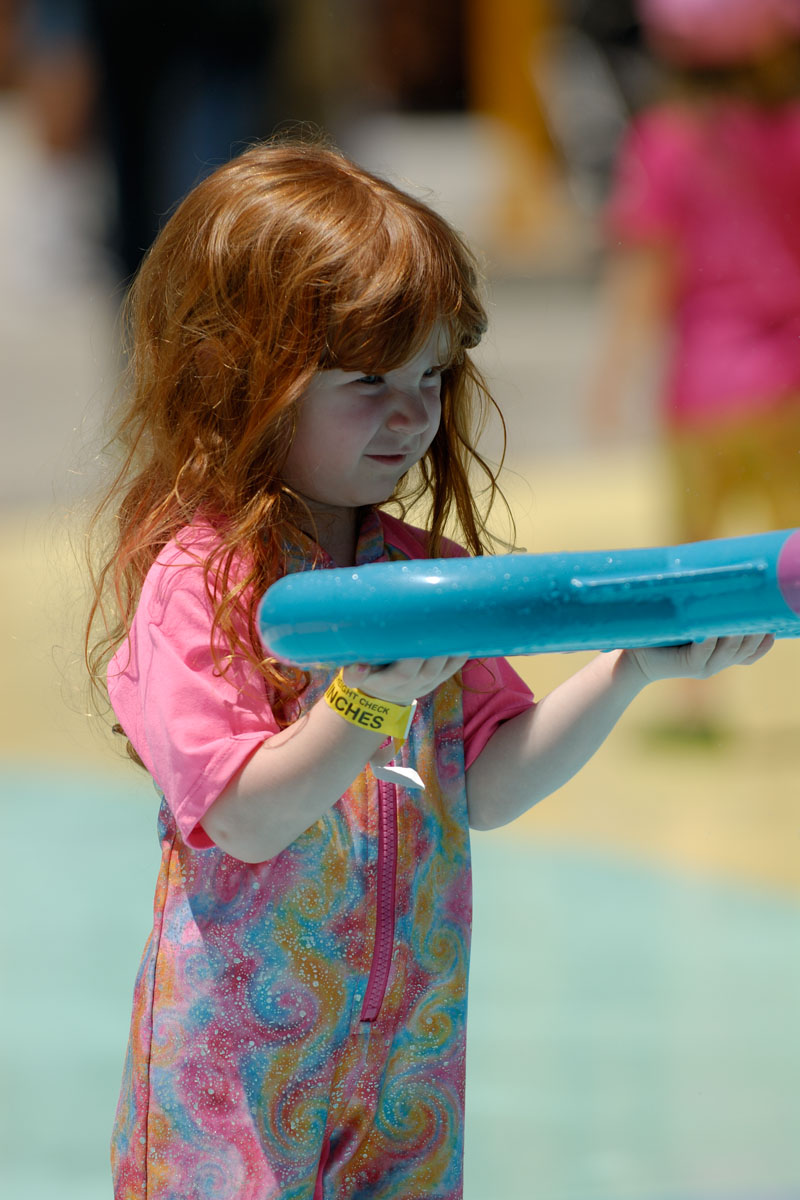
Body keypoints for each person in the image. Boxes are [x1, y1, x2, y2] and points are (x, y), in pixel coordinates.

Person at [85, 137, 773, 1200]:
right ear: (241, 373)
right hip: (236, 1078)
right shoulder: (203, 581)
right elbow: (245, 816)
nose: (411, 413)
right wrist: (366, 697)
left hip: (405, 1059)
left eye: (431, 375)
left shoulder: (423, 578)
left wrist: (629, 667)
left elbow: (483, 784)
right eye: (367, 380)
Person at [590, 0, 800, 543]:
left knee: (697, 559)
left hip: (706, 392)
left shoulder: (664, 142)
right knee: (790, 562)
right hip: (790, 390)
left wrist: (613, 375)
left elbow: (645, 270)